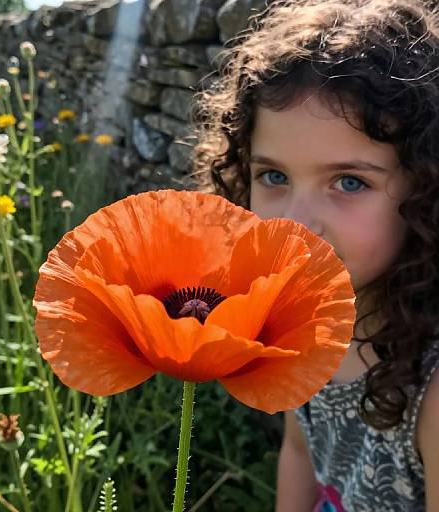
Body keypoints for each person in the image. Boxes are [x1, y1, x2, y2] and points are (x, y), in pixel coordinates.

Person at [188, 0, 439, 510]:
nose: (295, 225)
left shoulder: (432, 392)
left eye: (350, 181)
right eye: (274, 177)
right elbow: (299, 453)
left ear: (426, 190)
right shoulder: (302, 318)